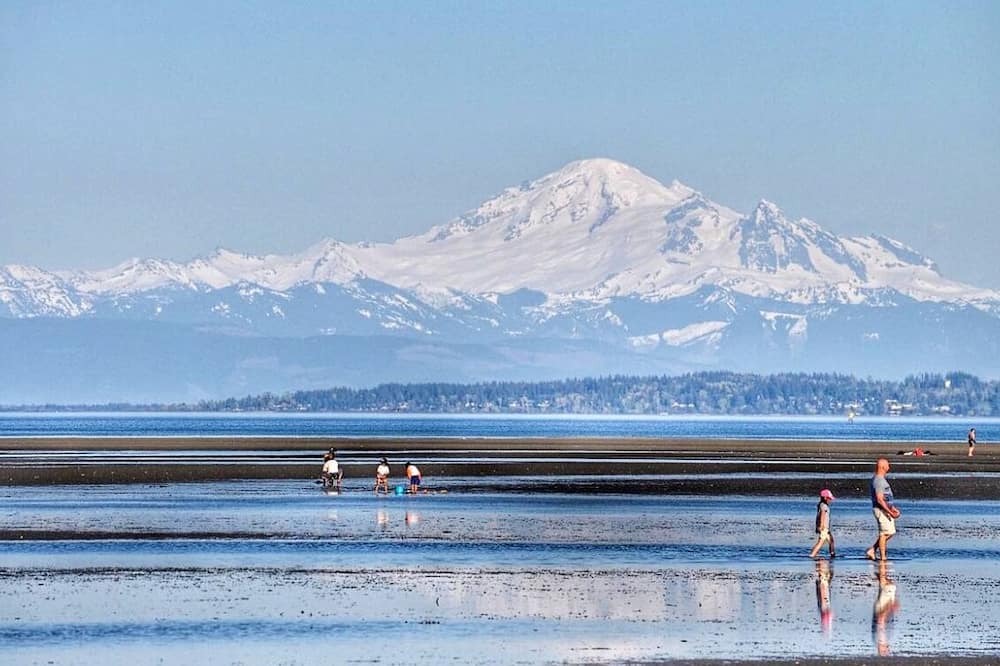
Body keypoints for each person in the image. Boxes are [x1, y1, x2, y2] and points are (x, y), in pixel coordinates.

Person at [866, 458, 901, 561]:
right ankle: (883, 557)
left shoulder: (880, 479)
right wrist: (889, 511)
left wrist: (893, 508)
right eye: (888, 465)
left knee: (891, 532)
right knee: (884, 533)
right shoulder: (879, 481)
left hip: (885, 509)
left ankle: (873, 549)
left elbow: (886, 498)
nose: (889, 467)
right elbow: (880, 499)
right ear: (883, 467)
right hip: (881, 510)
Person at [871, 560, 900, 656]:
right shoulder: (881, 639)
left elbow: (880, 619)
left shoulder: (880, 639)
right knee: (886, 581)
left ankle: (878, 560)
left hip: (883, 607)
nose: (888, 649)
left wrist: (890, 607)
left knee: (886, 583)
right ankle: (876, 560)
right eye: (887, 651)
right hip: (884, 606)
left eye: (885, 651)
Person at [809, 488, 837, 558]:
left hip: (826, 528)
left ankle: (832, 554)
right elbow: (822, 515)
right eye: (829, 499)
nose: (830, 500)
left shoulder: (821, 505)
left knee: (831, 541)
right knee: (821, 542)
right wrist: (821, 526)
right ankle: (812, 555)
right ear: (825, 498)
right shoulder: (824, 506)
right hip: (824, 528)